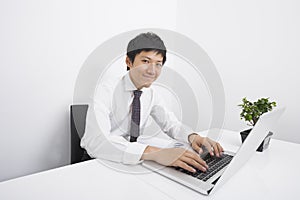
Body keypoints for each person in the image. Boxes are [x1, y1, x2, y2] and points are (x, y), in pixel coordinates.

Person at [81, 32, 223, 173]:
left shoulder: (151, 94)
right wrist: (155, 153)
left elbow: (171, 124)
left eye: (158, 64)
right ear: (128, 62)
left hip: (131, 163)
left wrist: (193, 136)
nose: (152, 70)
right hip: (99, 162)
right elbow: (96, 142)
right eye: (145, 61)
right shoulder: (105, 90)